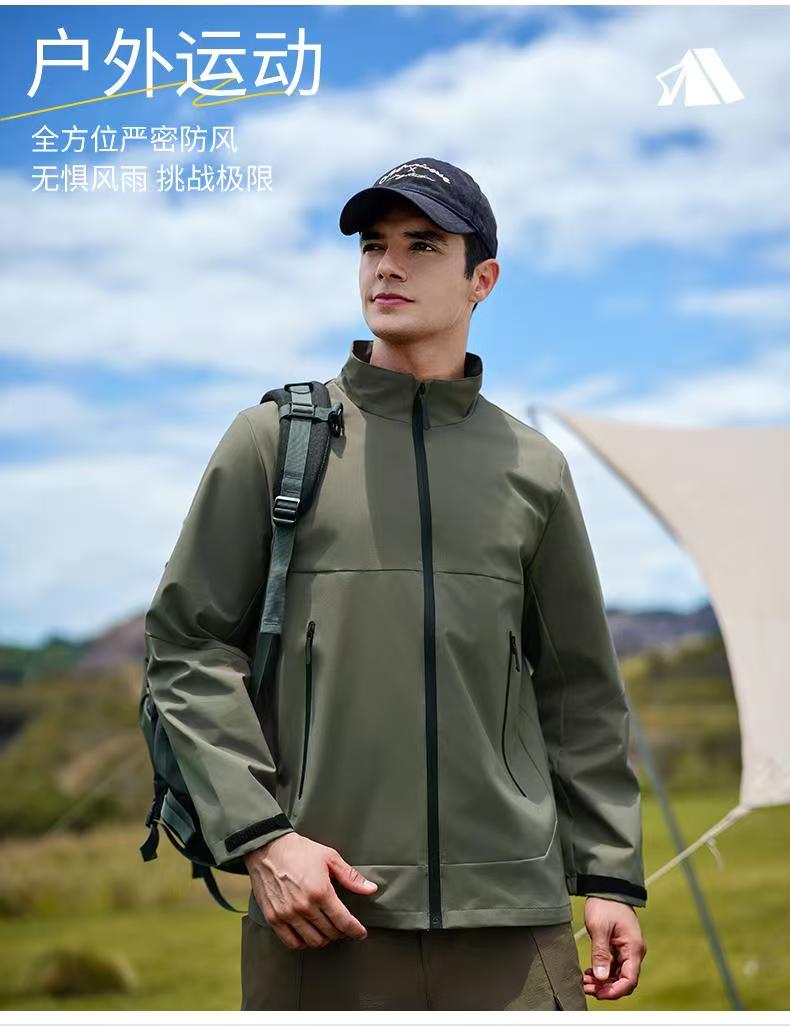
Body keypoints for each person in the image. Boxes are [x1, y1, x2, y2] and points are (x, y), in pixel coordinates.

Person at [144, 157, 648, 1011]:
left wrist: (607, 875)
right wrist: (263, 838)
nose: (387, 266)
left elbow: (579, 689)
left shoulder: (535, 467)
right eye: (373, 245)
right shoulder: (272, 442)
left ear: (482, 279)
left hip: (513, 916)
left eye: (422, 245)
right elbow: (187, 647)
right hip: (324, 907)